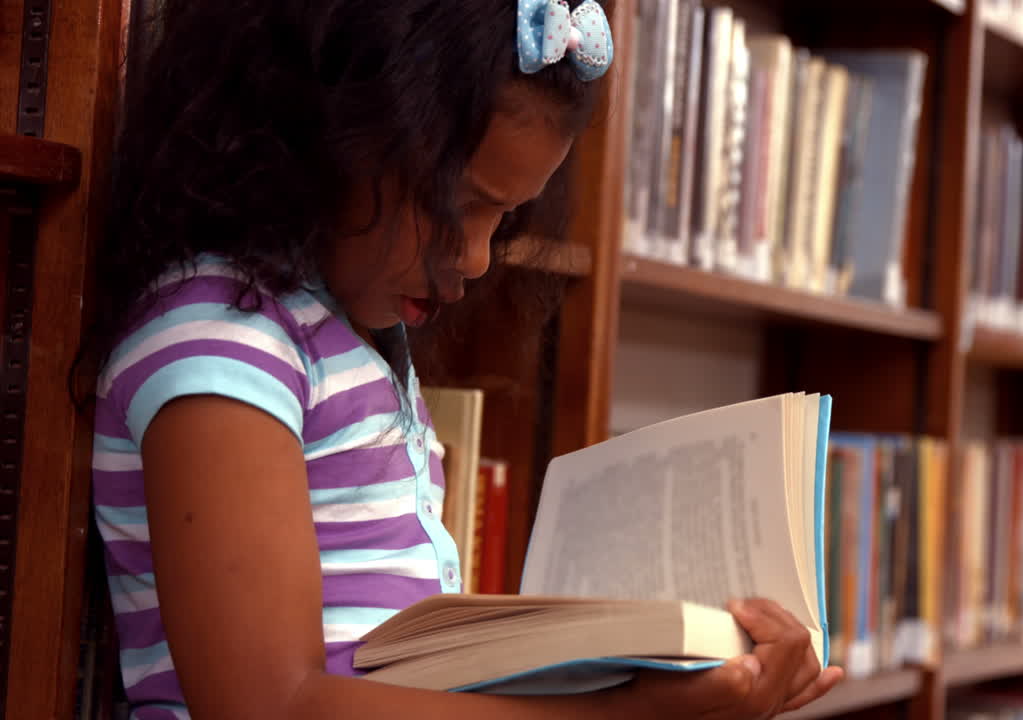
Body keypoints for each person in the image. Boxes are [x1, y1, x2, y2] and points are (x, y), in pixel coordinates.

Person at [82, 0, 843, 718]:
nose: (477, 257)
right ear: (334, 126)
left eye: (505, 216)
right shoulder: (221, 338)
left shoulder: (351, 340)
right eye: (456, 204)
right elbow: (269, 705)